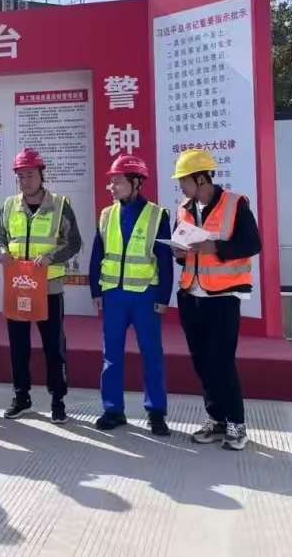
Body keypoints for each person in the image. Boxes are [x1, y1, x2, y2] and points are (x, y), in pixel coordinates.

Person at [172, 148, 262, 452]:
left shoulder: (235, 204)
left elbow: (252, 244)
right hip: (191, 295)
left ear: (201, 178)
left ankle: (237, 424)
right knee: (201, 362)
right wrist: (179, 253)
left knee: (222, 362)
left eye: (184, 180)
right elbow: (183, 251)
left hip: (223, 297)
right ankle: (216, 419)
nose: (181, 186)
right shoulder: (183, 207)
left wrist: (216, 248)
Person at [0, 148, 82, 424]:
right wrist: (1, 251)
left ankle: (58, 400)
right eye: (20, 176)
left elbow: (73, 242)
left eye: (29, 174)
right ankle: (21, 397)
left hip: (48, 288)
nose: (24, 180)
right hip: (19, 286)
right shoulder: (9, 205)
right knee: (18, 346)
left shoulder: (60, 205)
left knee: (53, 346)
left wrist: (51, 257)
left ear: (42, 175)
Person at [89, 155, 173, 436]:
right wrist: (96, 289)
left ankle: (156, 412)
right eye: (111, 181)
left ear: (136, 182)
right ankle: (113, 410)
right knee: (111, 355)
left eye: (118, 181)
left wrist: (163, 297)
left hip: (145, 295)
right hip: (113, 295)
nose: (112, 187)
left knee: (152, 354)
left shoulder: (157, 215)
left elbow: (164, 259)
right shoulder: (106, 214)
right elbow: (98, 254)